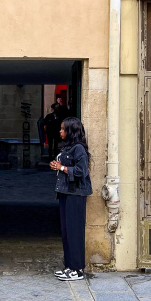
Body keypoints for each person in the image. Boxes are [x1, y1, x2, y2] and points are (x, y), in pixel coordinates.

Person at [50, 117, 92, 281]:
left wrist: (62, 167)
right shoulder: (68, 147)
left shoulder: (79, 149)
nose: (60, 131)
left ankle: (78, 269)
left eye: (62, 129)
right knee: (67, 231)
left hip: (76, 194)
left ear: (70, 131)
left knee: (75, 231)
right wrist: (58, 166)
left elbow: (82, 171)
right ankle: (69, 266)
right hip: (66, 192)